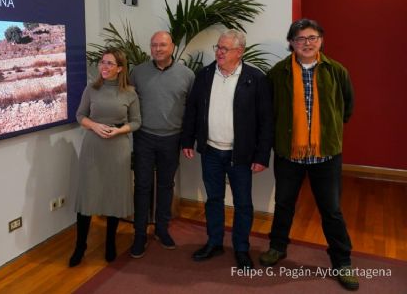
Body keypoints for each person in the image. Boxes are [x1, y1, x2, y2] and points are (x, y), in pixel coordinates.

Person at [258, 19, 358, 291]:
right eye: (300, 38)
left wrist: (328, 132)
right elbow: (270, 113)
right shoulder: (278, 74)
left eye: (312, 37)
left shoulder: (337, 71)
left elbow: (346, 107)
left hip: (325, 156)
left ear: (321, 41)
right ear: (291, 42)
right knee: (284, 204)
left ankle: (342, 261)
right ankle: (277, 247)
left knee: (331, 210)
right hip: (289, 155)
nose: (307, 43)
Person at [181, 29, 273, 270]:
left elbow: (266, 121)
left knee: (242, 203)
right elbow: (192, 110)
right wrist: (187, 140)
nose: (219, 52)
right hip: (210, 151)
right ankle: (214, 242)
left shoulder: (255, 78)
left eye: (225, 49)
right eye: (218, 48)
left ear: (239, 51)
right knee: (213, 199)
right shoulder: (205, 75)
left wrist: (262, 155)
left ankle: (241, 248)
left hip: (240, 155)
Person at [69, 48, 141, 267]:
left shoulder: (130, 92)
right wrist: (95, 125)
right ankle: (80, 246)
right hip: (93, 147)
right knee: (87, 196)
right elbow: (80, 115)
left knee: (113, 196)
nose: (104, 67)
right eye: (102, 62)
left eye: (110, 63)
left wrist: (119, 131)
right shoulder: (91, 89)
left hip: (117, 148)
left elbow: (137, 122)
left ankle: (110, 243)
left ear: (120, 68)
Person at [129, 31, 195, 258]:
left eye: (163, 45)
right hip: (144, 137)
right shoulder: (137, 73)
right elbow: (127, 103)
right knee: (142, 186)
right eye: (154, 44)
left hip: (172, 138)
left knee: (166, 186)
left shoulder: (187, 75)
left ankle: (162, 229)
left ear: (172, 47)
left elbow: (192, 112)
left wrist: (187, 139)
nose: (158, 49)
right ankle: (139, 233)